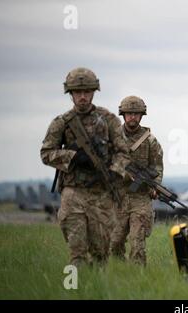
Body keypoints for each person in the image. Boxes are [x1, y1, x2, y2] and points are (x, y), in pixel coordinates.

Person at [40, 67, 129, 267]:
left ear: (93, 92)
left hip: (101, 193)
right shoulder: (62, 123)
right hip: (73, 193)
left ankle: (97, 290)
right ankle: (76, 291)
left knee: (100, 254)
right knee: (77, 251)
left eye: (87, 92)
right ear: (70, 94)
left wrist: (112, 172)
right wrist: (72, 157)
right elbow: (46, 153)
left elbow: (124, 153)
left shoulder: (108, 120)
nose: (82, 96)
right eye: (78, 92)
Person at [110, 96, 164, 265]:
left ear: (141, 115)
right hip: (117, 197)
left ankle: (137, 274)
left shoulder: (150, 140)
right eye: (129, 113)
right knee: (114, 242)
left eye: (136, 113)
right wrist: (125, 174)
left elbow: (157, 167)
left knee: (137, 242)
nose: (132, 116)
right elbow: (106, 162)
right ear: (123, 114)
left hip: (140, 197)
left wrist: (155, 186)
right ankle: (121, 270)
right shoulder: (113, 138)